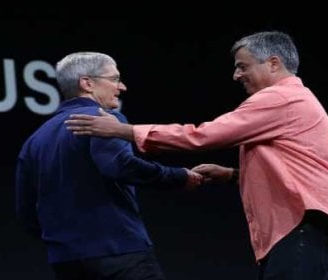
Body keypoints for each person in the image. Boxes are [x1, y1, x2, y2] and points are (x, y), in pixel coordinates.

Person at [65, 31, 328, 279]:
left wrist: (123, 131)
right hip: (309, 224)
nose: (236, 75)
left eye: (242, 66)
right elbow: (298, 168)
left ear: (273, 63)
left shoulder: (280, 98)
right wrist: (233, 176)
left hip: (304, 222)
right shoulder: (296, 100)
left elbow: (203, 136)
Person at [15, 51, 203, 280]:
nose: (121, 86)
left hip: (66, 261)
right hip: (118, 252)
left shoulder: (35, 139)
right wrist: (179, 176)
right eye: (114, 79)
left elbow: (26, 212)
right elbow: (121, 166)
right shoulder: (103, 119)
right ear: (87, 83)